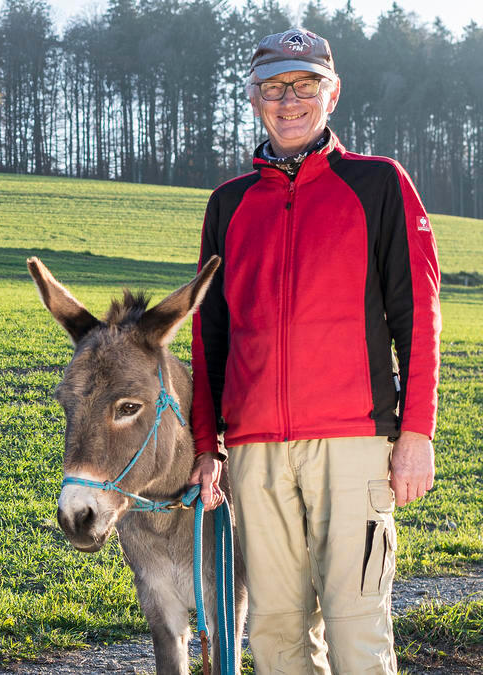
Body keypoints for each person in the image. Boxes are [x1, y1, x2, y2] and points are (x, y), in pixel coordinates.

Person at [188, 28, 440, 674]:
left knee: (359, 633)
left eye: (304, 85)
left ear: (333, 94)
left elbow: (418, 316)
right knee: (275, 636)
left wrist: (415, 432)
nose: (289, 100)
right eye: (274, 87)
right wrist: (205, 444)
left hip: (355, 446)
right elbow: (209, 331)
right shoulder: (229, 205)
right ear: (254, 100)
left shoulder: (379, 185)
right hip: (254, 453)